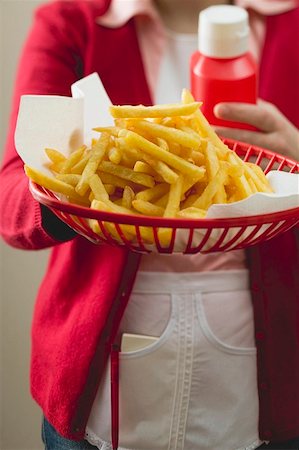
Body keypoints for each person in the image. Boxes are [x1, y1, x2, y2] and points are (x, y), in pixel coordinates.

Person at [0, 0, 299, 449]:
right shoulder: (72, 20)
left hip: (267, 389)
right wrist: (81, 190)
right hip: (95, 390)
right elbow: (11, 199)